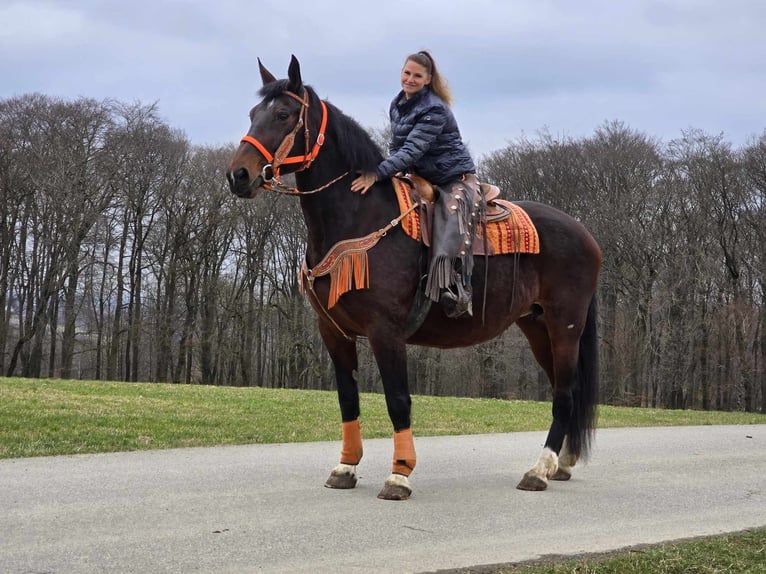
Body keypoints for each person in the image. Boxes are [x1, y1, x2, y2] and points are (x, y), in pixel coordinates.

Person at [351, 50, 479, 318]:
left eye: (417, 75)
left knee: (449, 219)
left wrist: (377, 173)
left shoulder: (434, 109)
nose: (410, 79)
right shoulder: (397, 104)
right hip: (420, 175)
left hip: (453, 177)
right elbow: (397, 147)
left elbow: (411, 150)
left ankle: (454, 285)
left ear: (428, 79)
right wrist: (388, 172)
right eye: (407, 73)